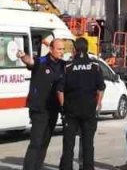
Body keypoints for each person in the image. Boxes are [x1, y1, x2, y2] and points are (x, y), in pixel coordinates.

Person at [19, 37, 66, 170]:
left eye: (63, 49)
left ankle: (38, 166)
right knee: (36, 142)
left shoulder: (63, 65)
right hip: (39, 108)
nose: (61, 51)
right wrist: (23, 56)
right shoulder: (42, 61)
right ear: (51, 49)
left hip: (53, 109)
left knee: (45, 141)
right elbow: (30, 61)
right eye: (59, 49)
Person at [58, 37, 104, 170]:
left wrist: (62, 107)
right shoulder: (95, 66)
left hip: (71, 111)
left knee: (68, 144)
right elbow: (101, 87)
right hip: (89, 111)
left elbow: (60, 90)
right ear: (87, 49)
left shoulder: (68, 66)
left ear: (74, 50)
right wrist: (98, 103)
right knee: (88, 144)